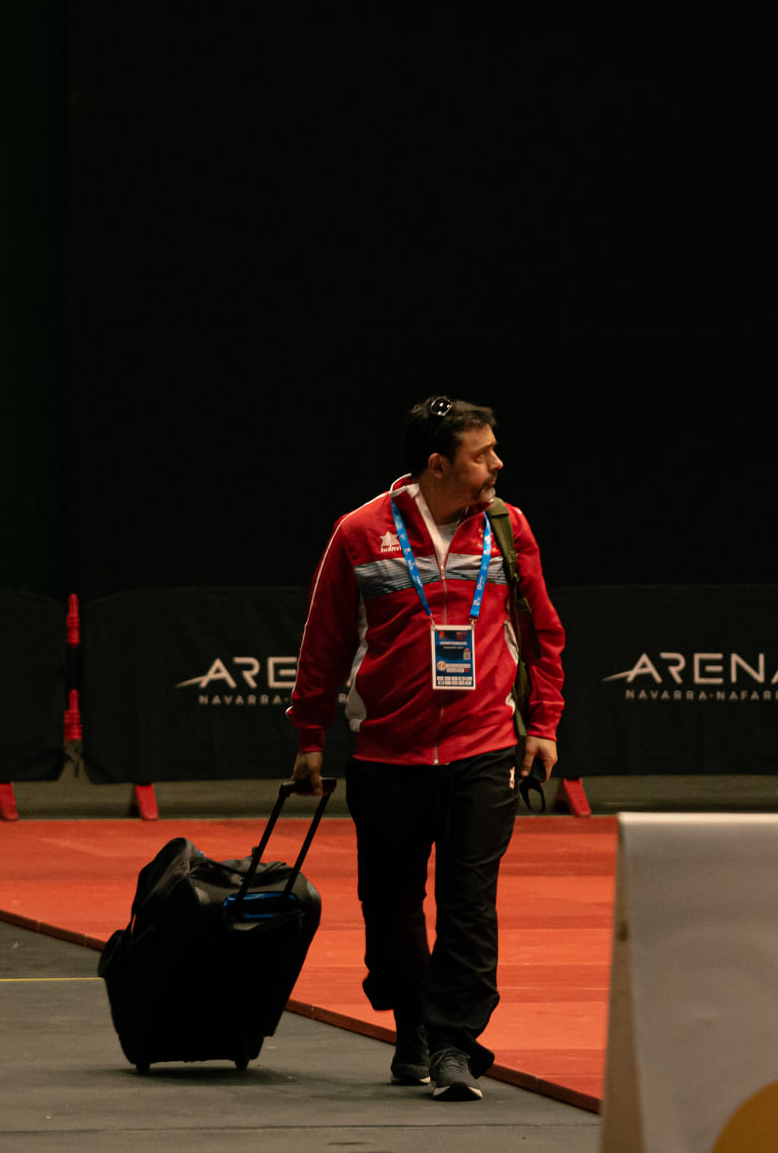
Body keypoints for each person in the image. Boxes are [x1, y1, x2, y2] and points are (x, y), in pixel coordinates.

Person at [286, 395, 565, 1101]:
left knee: (469, 903)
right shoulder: (360, 530)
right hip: (386, 752)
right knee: (389, 910)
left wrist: (542, 724)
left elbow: (542, 633)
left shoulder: (508, 528)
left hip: (482, 745)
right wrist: (309, 736)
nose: (497, 463)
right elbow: (324, 640)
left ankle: (452, 1043)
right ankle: (411, 1025)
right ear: (438, 464)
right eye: (483, 453)